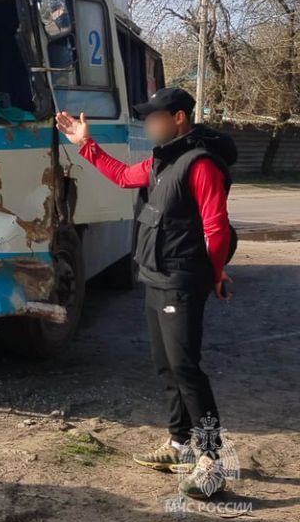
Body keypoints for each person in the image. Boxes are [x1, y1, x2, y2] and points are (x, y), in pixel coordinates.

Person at [55, 87, 237, 500]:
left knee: (186, 368)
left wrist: (217, 272)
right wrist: (86, 145)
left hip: (183, 280)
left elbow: (217, 228)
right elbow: (121, 176)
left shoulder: (200, 165)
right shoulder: (160, 161)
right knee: (166, 367)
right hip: (154, 277)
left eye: (156, 117)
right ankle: (178, 445)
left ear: (178, 119)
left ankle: (212, 461)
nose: (149, 123)